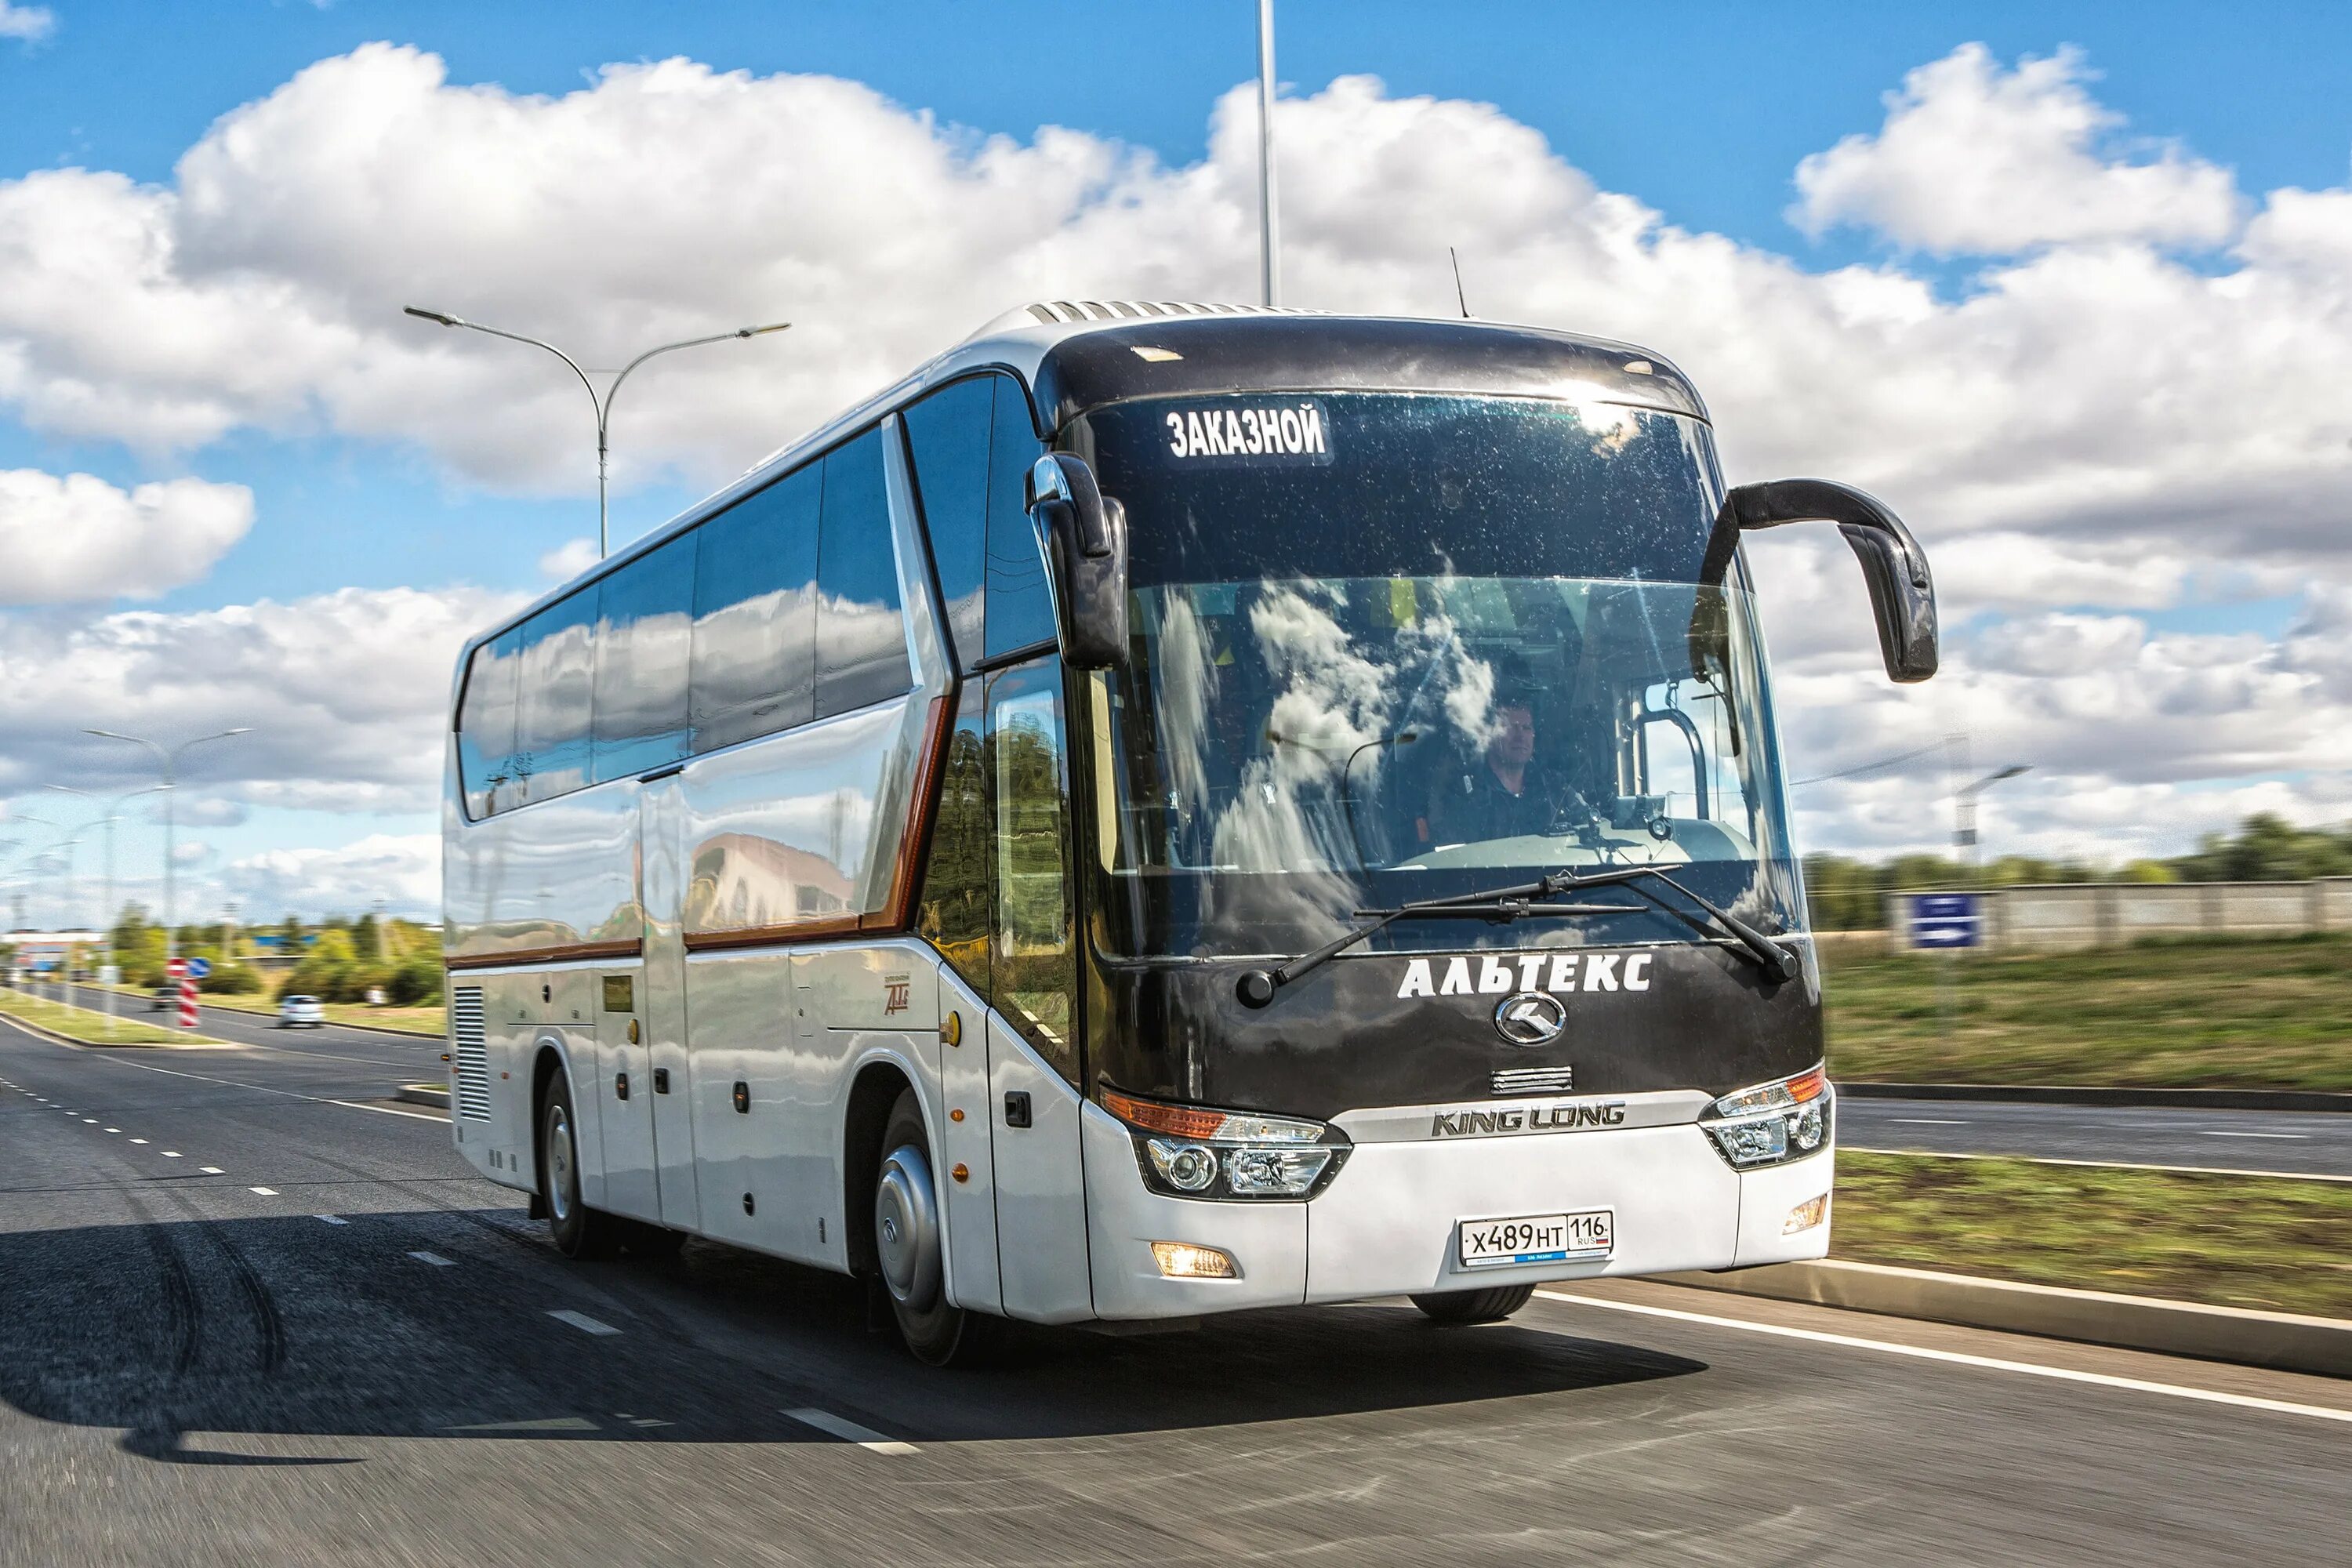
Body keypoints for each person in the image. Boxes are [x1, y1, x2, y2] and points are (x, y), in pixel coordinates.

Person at [1424, 688, 1584, 844]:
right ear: (1489, 734)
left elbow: (1590, 827)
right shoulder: (1464, 792)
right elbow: (1451, 855)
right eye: (1510, 727)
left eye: (1526, 728)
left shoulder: (1553, 786)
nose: (1520, 736)